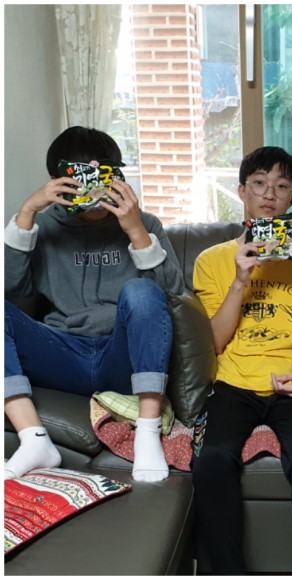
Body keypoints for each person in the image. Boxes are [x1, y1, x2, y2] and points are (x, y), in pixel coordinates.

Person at [4, 126, 184, 483]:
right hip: (63, 354)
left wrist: (135, 230)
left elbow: (173, 296)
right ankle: (34, 439)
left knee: (141, 291)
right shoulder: (45, 226)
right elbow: (12, 287)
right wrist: (27, 212)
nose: (94, 190)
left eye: (104, 176)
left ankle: (147, 433)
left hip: (121, 356)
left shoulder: (145, 224)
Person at [191, 146, 292, 575]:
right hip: (233, 383)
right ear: (242, 192)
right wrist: (241, 281)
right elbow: (215, 342)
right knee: (212, 459)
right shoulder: (212, 260)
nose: (269, 194)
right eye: (259, 183)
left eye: (281, 186)